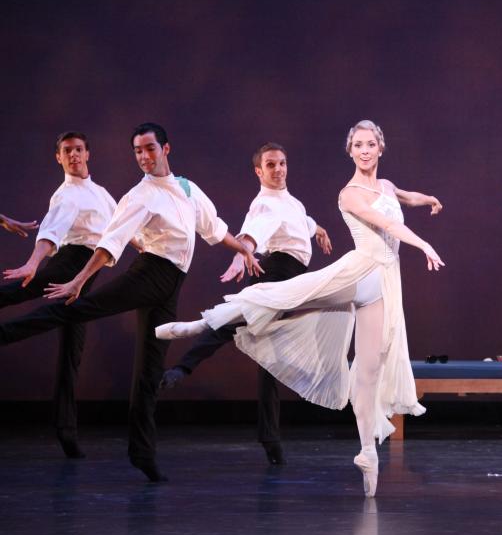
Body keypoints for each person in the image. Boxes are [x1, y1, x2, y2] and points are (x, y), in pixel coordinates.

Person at [155, 120, 443, 497]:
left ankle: (367, 454)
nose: (365, 149)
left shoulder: (381, 187)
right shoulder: (349, 194)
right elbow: (384, 221)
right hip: (356, 272)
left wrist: (428, 200)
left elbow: (401, 198)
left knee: (368, 372)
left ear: (380, 147)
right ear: (351, 150)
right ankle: (195, 326)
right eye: (358, 144)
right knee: (279, 299)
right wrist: (423, 244)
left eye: (371, 143)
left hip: (383, 285)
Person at [0, 123, 260, 482]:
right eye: (137, 151)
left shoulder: (187, 188)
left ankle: (142, 453)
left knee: (149, 369)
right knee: (77, 308)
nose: (143, 156)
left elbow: (213, 228)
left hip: (171, 285)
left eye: (149, 149)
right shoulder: (139, 195)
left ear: (165, 149)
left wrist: (243, 248)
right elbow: (112, 241)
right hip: (149, 274)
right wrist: (78, 280)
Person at [159, 142, 333, 465]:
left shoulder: (289, 202)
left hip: (289, 280)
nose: (278, 169)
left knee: (268, 357)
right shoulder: (264, 204)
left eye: (282, 163)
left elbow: (303, 221)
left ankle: (270, 438)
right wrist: (243, 253)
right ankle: (181, 369)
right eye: (271, 165)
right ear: (259, 171)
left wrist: (319, 230)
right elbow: (254, 232)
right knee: (232, 324)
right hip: (276, 275)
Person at [0, 132, 117, 457]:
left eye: (79, 149)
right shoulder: (66, 195)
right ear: (59, 158)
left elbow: (119, 229)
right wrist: (33, 263)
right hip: (69, 263)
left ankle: (67, 430)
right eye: (67, 151)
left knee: (72, 351)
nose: (74, 155)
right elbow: (51, 231)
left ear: (87, 154)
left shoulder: (102, 193)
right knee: (17, 290)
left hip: (87, 271)